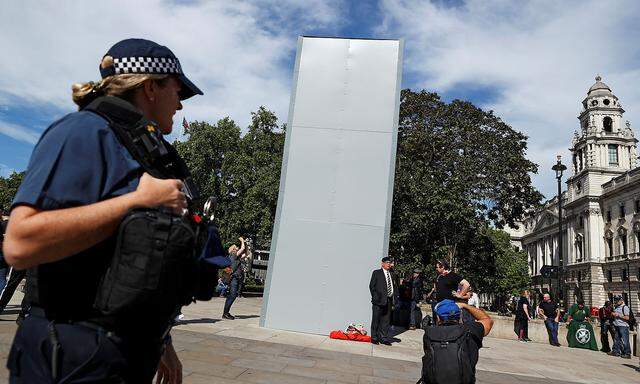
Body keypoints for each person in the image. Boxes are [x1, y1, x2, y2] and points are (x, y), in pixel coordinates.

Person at [2, 38, 203, 383]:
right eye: (178, 91)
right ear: (150, 87)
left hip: (124, 350)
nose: (181, 106)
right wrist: (136, 201)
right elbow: (21, 243)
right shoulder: (83, 131)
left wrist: (162, 341)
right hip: (72, 351)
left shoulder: (144, 150)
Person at [418, 299, 494, 384]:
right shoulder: (471, 330)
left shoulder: (430, 333)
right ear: (460, 316)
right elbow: (487, 320)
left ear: (438, 317)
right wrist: (466, 306)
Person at [369, 256, 399, 345]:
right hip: (378, 301)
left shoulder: (393, 274)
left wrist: (395, 297)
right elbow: (371, 286)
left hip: (389, 300)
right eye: (387, 262)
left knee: (386, 320)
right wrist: (375, 297)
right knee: (376, 319)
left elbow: (395, 286)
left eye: (390, 262)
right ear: (382, 263)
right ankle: (374, 337)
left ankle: (383, 337)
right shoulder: (376, 273)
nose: (389, 264)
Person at [222, 237, 246, 320]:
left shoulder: (236, 258)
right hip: (234, 279)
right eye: (236, 247)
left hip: (236, 278)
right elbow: (243, 248)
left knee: (232, 296)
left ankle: (226, 313)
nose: (238, 247)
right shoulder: (233, 254)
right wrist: (242, 240)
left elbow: (247, 253)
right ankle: (225, 314)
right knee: (232, 296)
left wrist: (246, 245)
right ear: (233, 249)